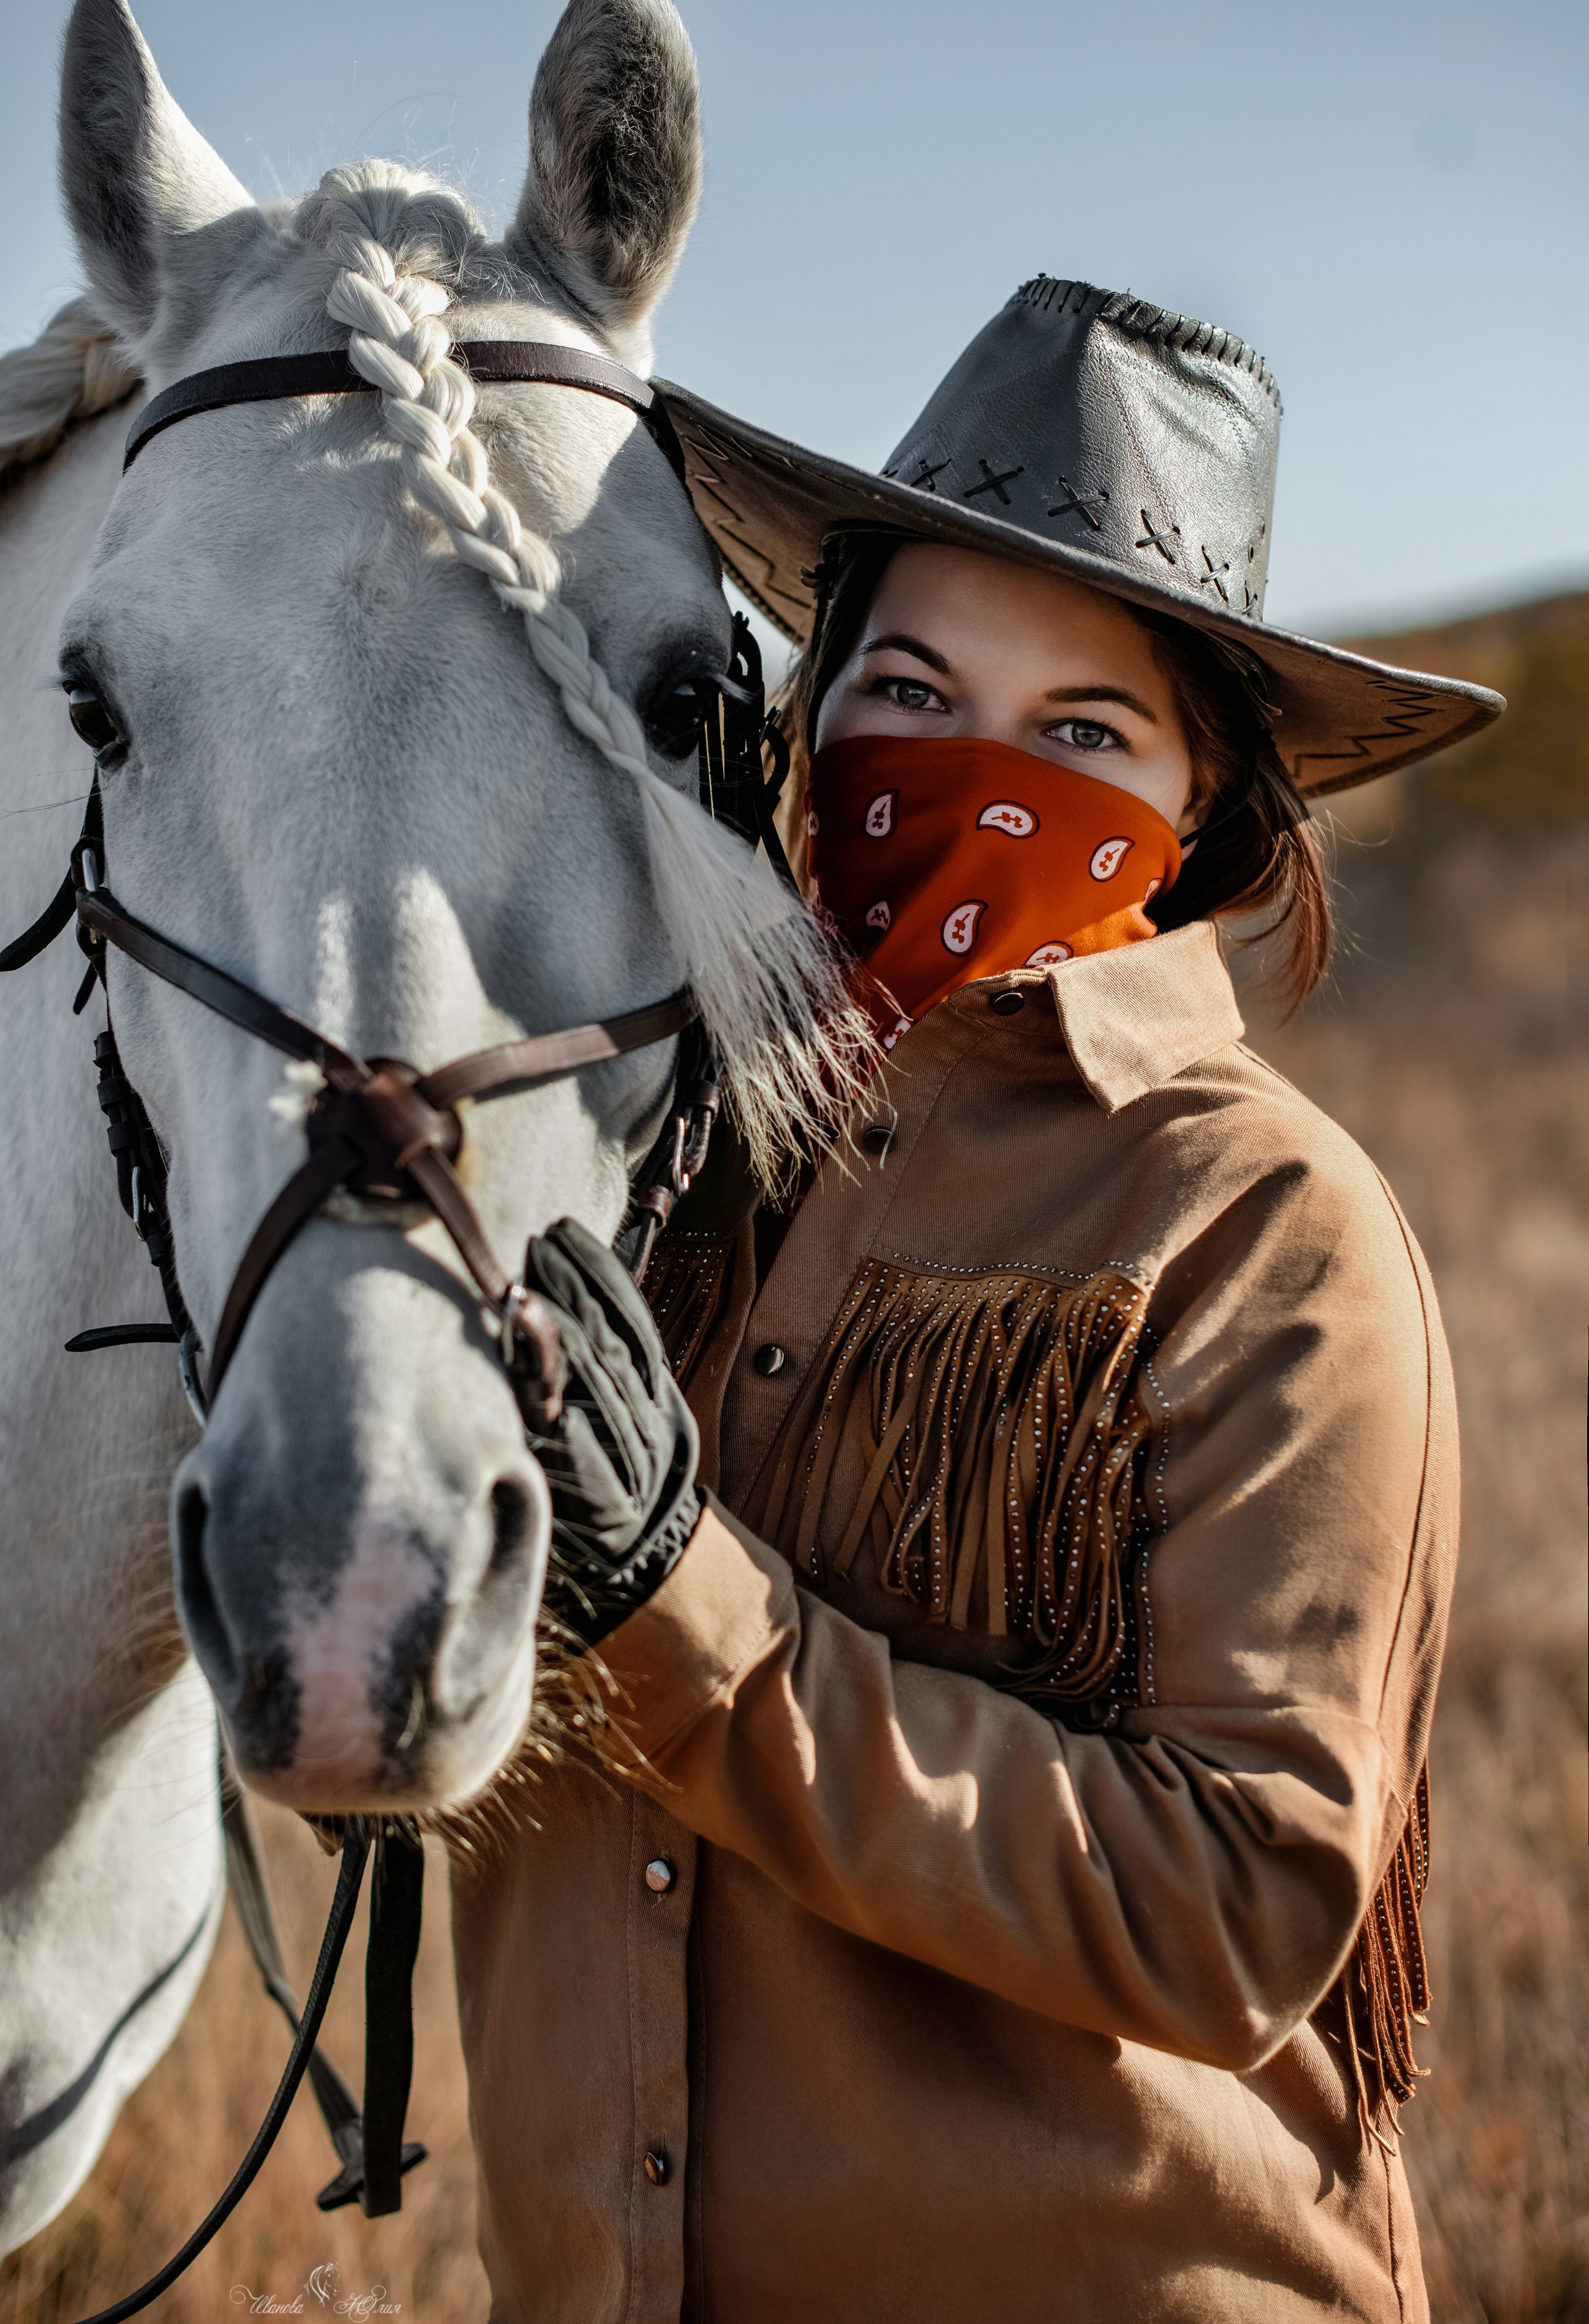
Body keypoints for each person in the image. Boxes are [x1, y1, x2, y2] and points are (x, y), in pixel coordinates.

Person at [450, 278, 1504, 2322]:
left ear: (1200, 813)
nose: (972, 779)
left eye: (1084, 735)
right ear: (809, 709)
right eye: (910, 692)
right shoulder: (650, 1153)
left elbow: (1230, 1905)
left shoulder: (1262, 1223)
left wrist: (686, 1605)